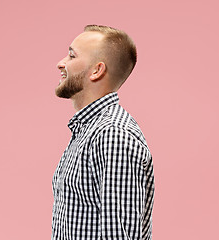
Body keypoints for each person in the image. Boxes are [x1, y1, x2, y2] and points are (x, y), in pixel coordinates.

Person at [52, 25, 155, 240]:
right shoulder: (88, 130)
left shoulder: (112, 135)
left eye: (71, 55)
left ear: (97, 70)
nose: (61, 63)